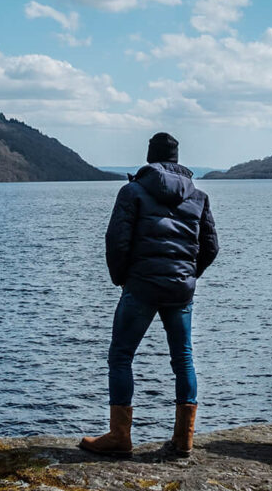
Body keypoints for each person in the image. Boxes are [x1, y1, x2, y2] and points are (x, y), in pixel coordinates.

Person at [80, 132, 219, 459]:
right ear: (176, 158)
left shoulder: (132, 191)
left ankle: (119, 436)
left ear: (149, 157)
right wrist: (187, 274)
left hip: (141, 286)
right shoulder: (198, 197)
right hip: (180, 290)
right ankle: (184, 440)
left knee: (121, 355)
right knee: (183, 358)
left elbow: (116, 240)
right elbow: (211, 247)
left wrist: (121, 279)